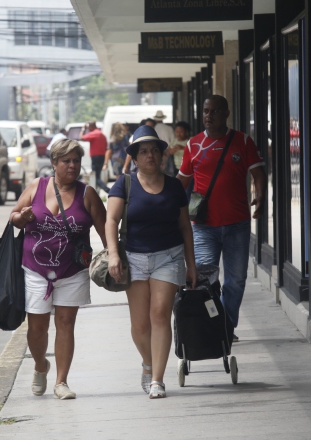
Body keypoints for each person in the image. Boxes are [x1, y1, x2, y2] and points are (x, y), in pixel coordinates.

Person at [10, 139, 107, 400]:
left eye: (77, 160)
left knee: (66, 324)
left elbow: (104, 227)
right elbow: (14, 217)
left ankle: (61, 382)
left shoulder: (87, 194)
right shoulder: (36, 187)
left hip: (72, 270)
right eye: (66, 161)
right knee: (37, 328)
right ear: (54, 164)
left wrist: (114, 256)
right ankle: (41, 364)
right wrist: (24, 217)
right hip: (35, 270)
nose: (72, 166)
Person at [105, 125, 197, 399]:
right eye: (143, 151)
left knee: (159, 315)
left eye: (154, 150)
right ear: (134, 157)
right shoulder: (125, 183)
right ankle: (148, 361)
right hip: (133, 258)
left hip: (168, 257)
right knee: (140, 325)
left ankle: (157, 379)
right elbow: (111, 220)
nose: (150, 156)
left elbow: (185, 227)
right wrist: (112, 254)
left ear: (162, 155)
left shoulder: (173, 187)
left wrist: (191, 264)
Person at [176, 95, 265, 341]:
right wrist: (166, 206)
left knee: (235, 281)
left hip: (238, 224)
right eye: (206, 111)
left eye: (215, 111)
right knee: (204, 281)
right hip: (203, 226)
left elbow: (258, 172)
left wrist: (261, 196)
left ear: (226, 113)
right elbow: (181, 182)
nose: (209, 115)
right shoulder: (194, 145)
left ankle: (226, 327)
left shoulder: (242, 141)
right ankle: (210, 326)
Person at [79, 121, 110, 194]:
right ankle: (96, 192)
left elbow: (81, 138)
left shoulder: (94, 134)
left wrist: (83, 129)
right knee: (97, 175)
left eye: (89, 127)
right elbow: (106, 147)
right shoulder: (102, 134)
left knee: (95, 177)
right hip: (102, 156)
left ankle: (108, 190)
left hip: (95, 157)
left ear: (91, 126)